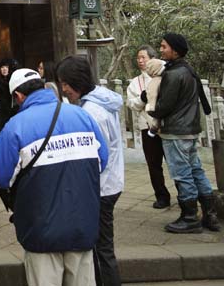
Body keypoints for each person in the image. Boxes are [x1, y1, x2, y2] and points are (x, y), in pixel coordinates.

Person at [0, 68, 108, 286]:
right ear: (43, 87)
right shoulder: (82, 116)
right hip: (83, 224)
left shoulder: (16, 126)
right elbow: (103, 160)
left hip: (41, 228)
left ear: (19, 96)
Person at [57, 56, 124, 286]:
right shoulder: (101, 101)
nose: (64, 89)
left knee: (101, 248)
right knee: (100, 245)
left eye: (66, 83)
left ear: (78, 81)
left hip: (102, 186)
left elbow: (95, 157)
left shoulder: (93, 112)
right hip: (110, 182)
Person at [146, 32, 220, 233]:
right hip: (190, 129)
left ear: (175, 50)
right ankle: (210, 214)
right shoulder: (188, 70)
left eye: (164, 47)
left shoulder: (173, 74)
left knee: (182, 174)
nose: (161, 50)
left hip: (175, 130)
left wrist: (151, 108)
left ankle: (189, 217)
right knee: (196, 170)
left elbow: (165, 105)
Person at [125, 45, 171, 209]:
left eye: (143, 57)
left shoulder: (165, 76)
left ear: (153, 58)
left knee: (173, 162)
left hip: (167, 126)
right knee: (153, 164)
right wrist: (142, 98)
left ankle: (185, 194)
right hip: (147, 126)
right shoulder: (134, 83)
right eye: (138, 58)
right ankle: (162, 196)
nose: (140, 60)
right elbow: (131, 104)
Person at [0, 58, 18, 138]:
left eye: (6, 67)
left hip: (12, 111)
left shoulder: (13, 81)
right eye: (2, 67)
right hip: (0, 112)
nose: (4, 69)